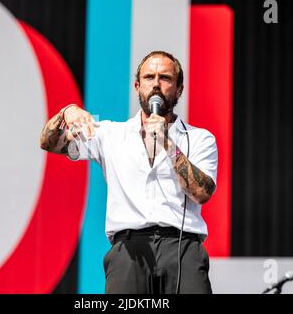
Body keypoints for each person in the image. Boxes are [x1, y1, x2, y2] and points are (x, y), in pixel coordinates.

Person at [40, 51, 218, 294]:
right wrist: (67, 111)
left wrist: (167, 144)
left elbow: (202, 193)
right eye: (149, 77)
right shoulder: (111, 134)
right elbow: (50, 143)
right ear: (137, 86)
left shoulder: (199, 138)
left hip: (182, 248)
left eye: (165, 78)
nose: (156, 84)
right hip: (129, 250)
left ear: (179, 90)